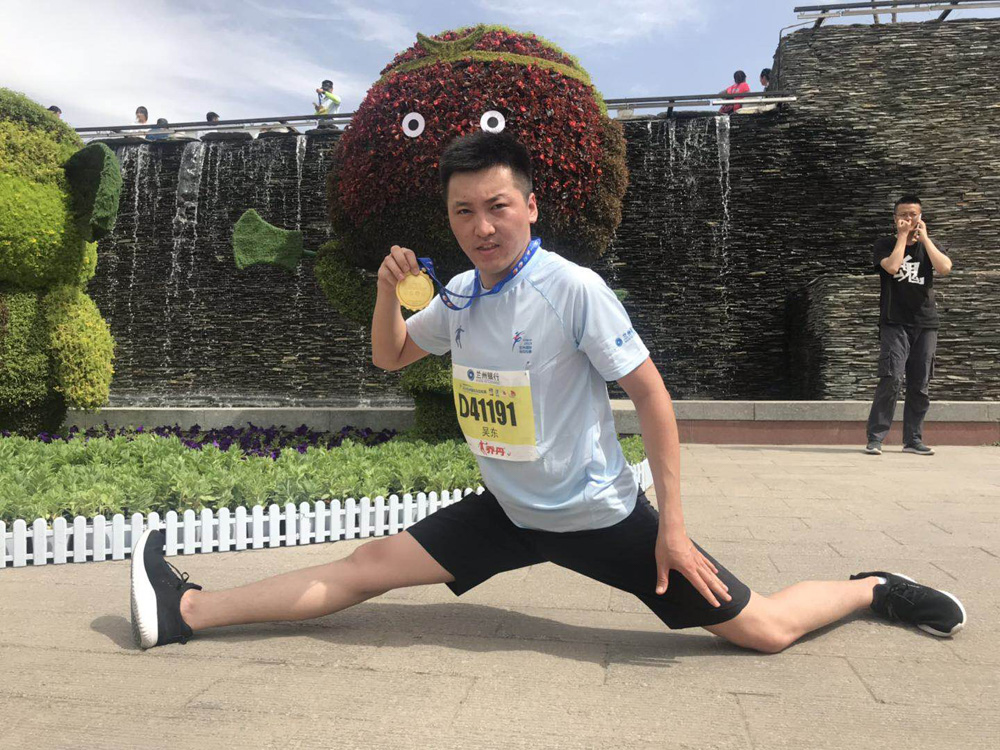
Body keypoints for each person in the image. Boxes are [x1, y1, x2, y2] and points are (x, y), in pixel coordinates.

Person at [129, 132, 966, 653]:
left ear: (530, 206)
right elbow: (389, 357)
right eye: (463, 212)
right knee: (366, 567)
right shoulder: (460, 295)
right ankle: (186, 610)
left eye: (497, 206)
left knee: (765, 631)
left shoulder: (573, 290)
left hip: (601, 517)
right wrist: (388, 293)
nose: (481, 226)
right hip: (507, 511)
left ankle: (873, 587)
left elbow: (653, 397)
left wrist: (672, 530)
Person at [865, 196, 952, 456]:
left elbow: (945, 268)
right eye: (903, 214)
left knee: (920, 382)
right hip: (894, 321)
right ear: (895, 218)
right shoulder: (885, 244)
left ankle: (913, 439)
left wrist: (925, 239)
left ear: (920, 217)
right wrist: (903, 237)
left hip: (925, 323)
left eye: (913, 214)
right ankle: (876, 438)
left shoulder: (929, 244)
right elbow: (892, 267)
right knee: (891, 378)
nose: (908, 219)